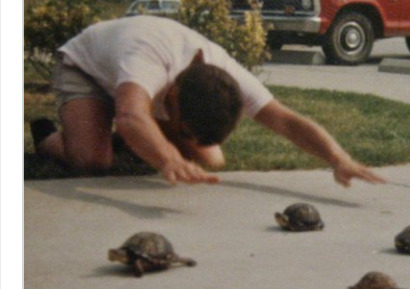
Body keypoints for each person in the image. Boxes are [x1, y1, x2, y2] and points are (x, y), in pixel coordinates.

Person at [31, 15, 384, 187]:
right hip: (87, 69)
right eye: (181, 126)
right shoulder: (149, 59)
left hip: (138, 90)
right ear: (172, 94)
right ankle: (47, 136)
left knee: (210, 158)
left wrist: (338, 158)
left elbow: (286, 121)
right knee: (93, 161)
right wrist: (168, 157)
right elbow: (129, 114)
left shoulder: (224, 72)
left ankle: (136, 141)